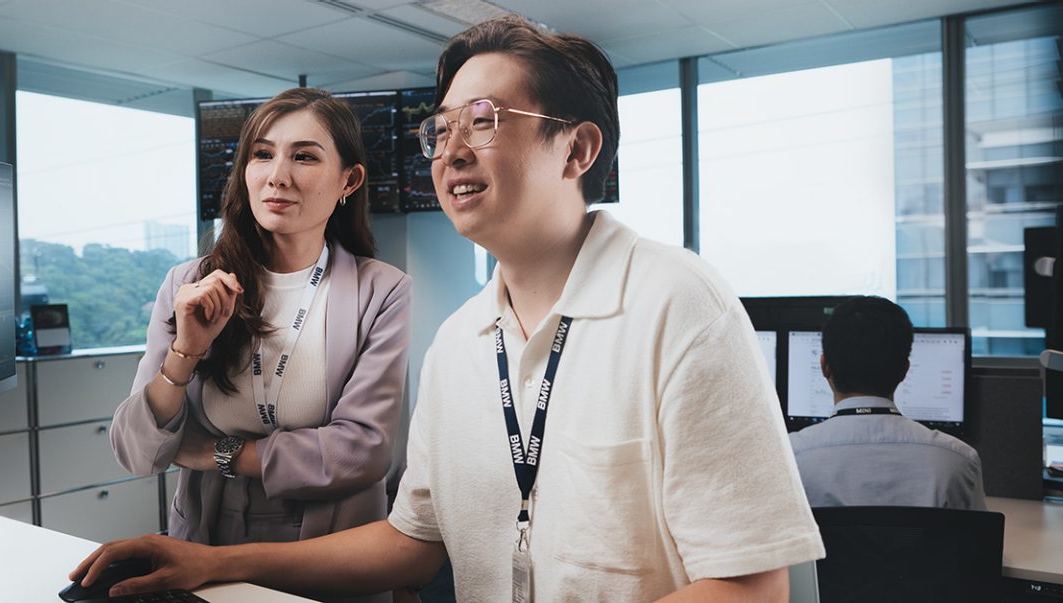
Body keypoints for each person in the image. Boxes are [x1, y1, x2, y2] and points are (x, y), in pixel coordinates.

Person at [74, 17, 823, 601]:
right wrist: (209, 561)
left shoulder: (680, 303)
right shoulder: (461, 341)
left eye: (486, 120)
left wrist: (220, 459)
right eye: (442, 127)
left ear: (577, 150)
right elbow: (411, 540)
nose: (451, 149)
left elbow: (751, 585)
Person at [107, 87, 413, 579]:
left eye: (304, 157)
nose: (277, 177)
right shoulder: (190, 283)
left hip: (328, 551)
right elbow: (137, 451)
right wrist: (185, 351)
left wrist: (216, 453)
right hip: (204, 539)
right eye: (262, 154)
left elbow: (361, 453)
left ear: (348, 181)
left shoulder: (381, 290)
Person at [787, 296, 987, 510]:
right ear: (905, 370)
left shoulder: (788, 459)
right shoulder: (958, 462)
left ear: (824, 366)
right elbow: (975, 543)